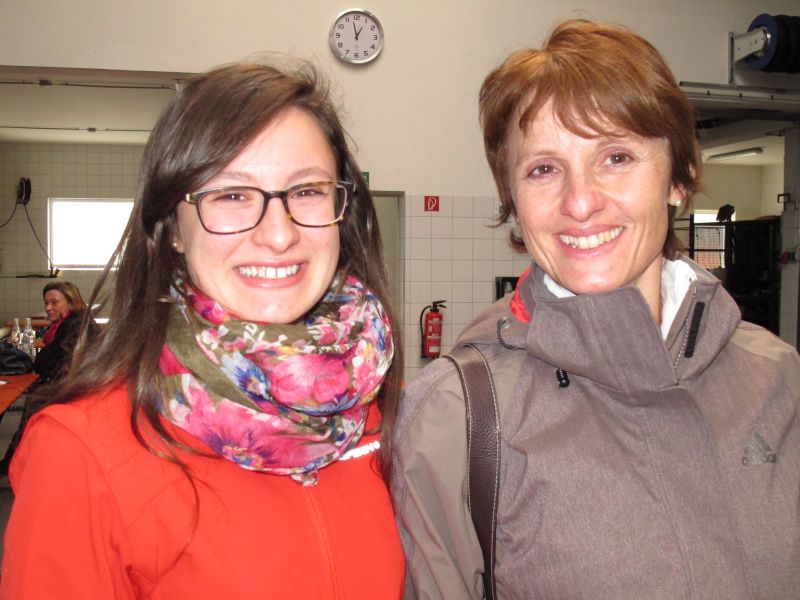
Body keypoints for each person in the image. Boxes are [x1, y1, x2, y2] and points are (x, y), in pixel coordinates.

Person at [392, 19, 800, 599]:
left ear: (679, 178)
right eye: (543, 169)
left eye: (616, 157)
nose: (580, 202)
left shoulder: (776, 375)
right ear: (514, 202)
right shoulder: (456, 414)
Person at [1, 59, 404, 599]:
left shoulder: (386, 412)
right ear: (172, 227)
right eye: (231, 195)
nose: (279, 234)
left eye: (307, 190)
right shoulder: (81, 450)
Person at [0, 281, 97, 476]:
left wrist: (39, 355)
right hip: (79, 383)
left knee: (32, 408)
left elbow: (45, 363)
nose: (48, 308)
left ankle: (13, 463)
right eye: (46, 303)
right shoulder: (74, 321)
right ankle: (14, 461)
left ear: (71, 302)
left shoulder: (73, 324)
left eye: (54, 302)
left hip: (71, 388)